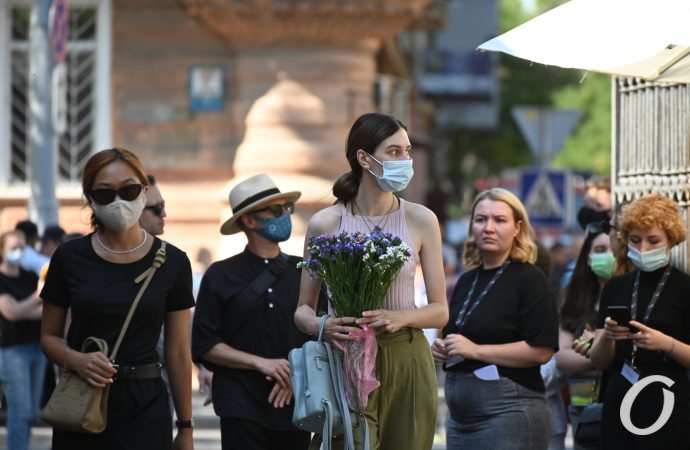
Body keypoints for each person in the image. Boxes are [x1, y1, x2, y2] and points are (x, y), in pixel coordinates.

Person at [294, 112, 448, 450]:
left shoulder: (421, 219)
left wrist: (400, 317)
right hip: (344, 359)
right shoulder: (325, 223)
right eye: (394, 151)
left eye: (407, 151)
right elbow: (302, 309)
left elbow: (440, 312)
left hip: (406, 358)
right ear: (364, 159)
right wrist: (323, 325)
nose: (405, 160)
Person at [40, 148, 195, 450]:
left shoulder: (174, 262)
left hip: (146, 405)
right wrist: (77, 360)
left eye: (129, 190)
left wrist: (186, 427)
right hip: (83, 401)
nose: (119, 201)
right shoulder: (69, 257)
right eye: (105, 193)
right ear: (90, 199)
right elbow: (48, 337)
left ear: (144, 191)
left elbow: (178, 351)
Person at [432, 188, 558, 450]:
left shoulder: (530, 279)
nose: (488, 228)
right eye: (481, 220)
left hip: (508, 411)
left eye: (499, 220)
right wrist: (446, 348)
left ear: (517, 228)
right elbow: (463, 336)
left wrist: (476, 350)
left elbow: (542, 350)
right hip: (460, 418)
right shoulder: (467, 280)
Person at [192, 174, 311, 450]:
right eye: (276, 209)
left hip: (295, 403)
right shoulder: (220, 275)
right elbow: (205, 344)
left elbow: (320, 333)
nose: (285, 215)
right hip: (240, 403)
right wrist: (260, 363)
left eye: (287, 208)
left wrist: (296, 373)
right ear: (249, 220)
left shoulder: (304, 271)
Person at [589, 194, 690, 449]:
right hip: (620, 395)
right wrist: (607, 336)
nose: (643, 248)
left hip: (668, 397)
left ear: (671, 240)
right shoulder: (615, 286)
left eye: (653, 240)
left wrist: (666, 344)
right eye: (635, 240)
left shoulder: (684, 287)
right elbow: (598, 361)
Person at [555, 222, 616, 450]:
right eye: (599, 250)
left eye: (612, 249)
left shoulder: (631, 295)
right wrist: (601, 356)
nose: (607, 255)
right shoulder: (575, 300)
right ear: (587, 257)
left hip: (622, 403)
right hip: (583, 410)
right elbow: (561, 356)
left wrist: (594, 348)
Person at [0, 230, 45, 450]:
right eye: (13, 247)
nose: (18, 251)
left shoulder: (30, 276)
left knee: (31, 412)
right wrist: (37, 296)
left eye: (21, 247)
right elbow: (11, 312)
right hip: (12, 352)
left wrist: (24, 309)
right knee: (20, 411)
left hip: (37, 348)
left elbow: (44, 311)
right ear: (2, 251)